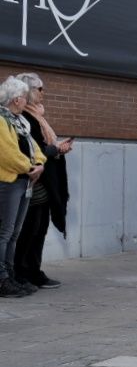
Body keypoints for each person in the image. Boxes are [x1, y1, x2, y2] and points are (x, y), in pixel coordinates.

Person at [14, 73, 70, 290]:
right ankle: (22, 271)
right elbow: (32, 150)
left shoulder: (38, 116)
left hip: (45, 182)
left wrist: (57, 149)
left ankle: (33, 270)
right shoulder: (25, 119)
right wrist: (56, 149)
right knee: (29, 229)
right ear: (27, 92)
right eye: (39, 89)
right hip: (33, 182)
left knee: (39, 228)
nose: (43, 93)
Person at [0, 76, 46, 298]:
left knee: (14, 233)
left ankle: (11, 275)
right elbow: (7, 153)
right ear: (16, 99)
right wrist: (30, 167)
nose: (26, 100)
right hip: (8, 183)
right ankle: (1, 280)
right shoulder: (1, 120)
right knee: (4, 233)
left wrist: (39, 163)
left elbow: (34, 147)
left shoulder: (19, 121)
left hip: (24, 181)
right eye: (24, 97)